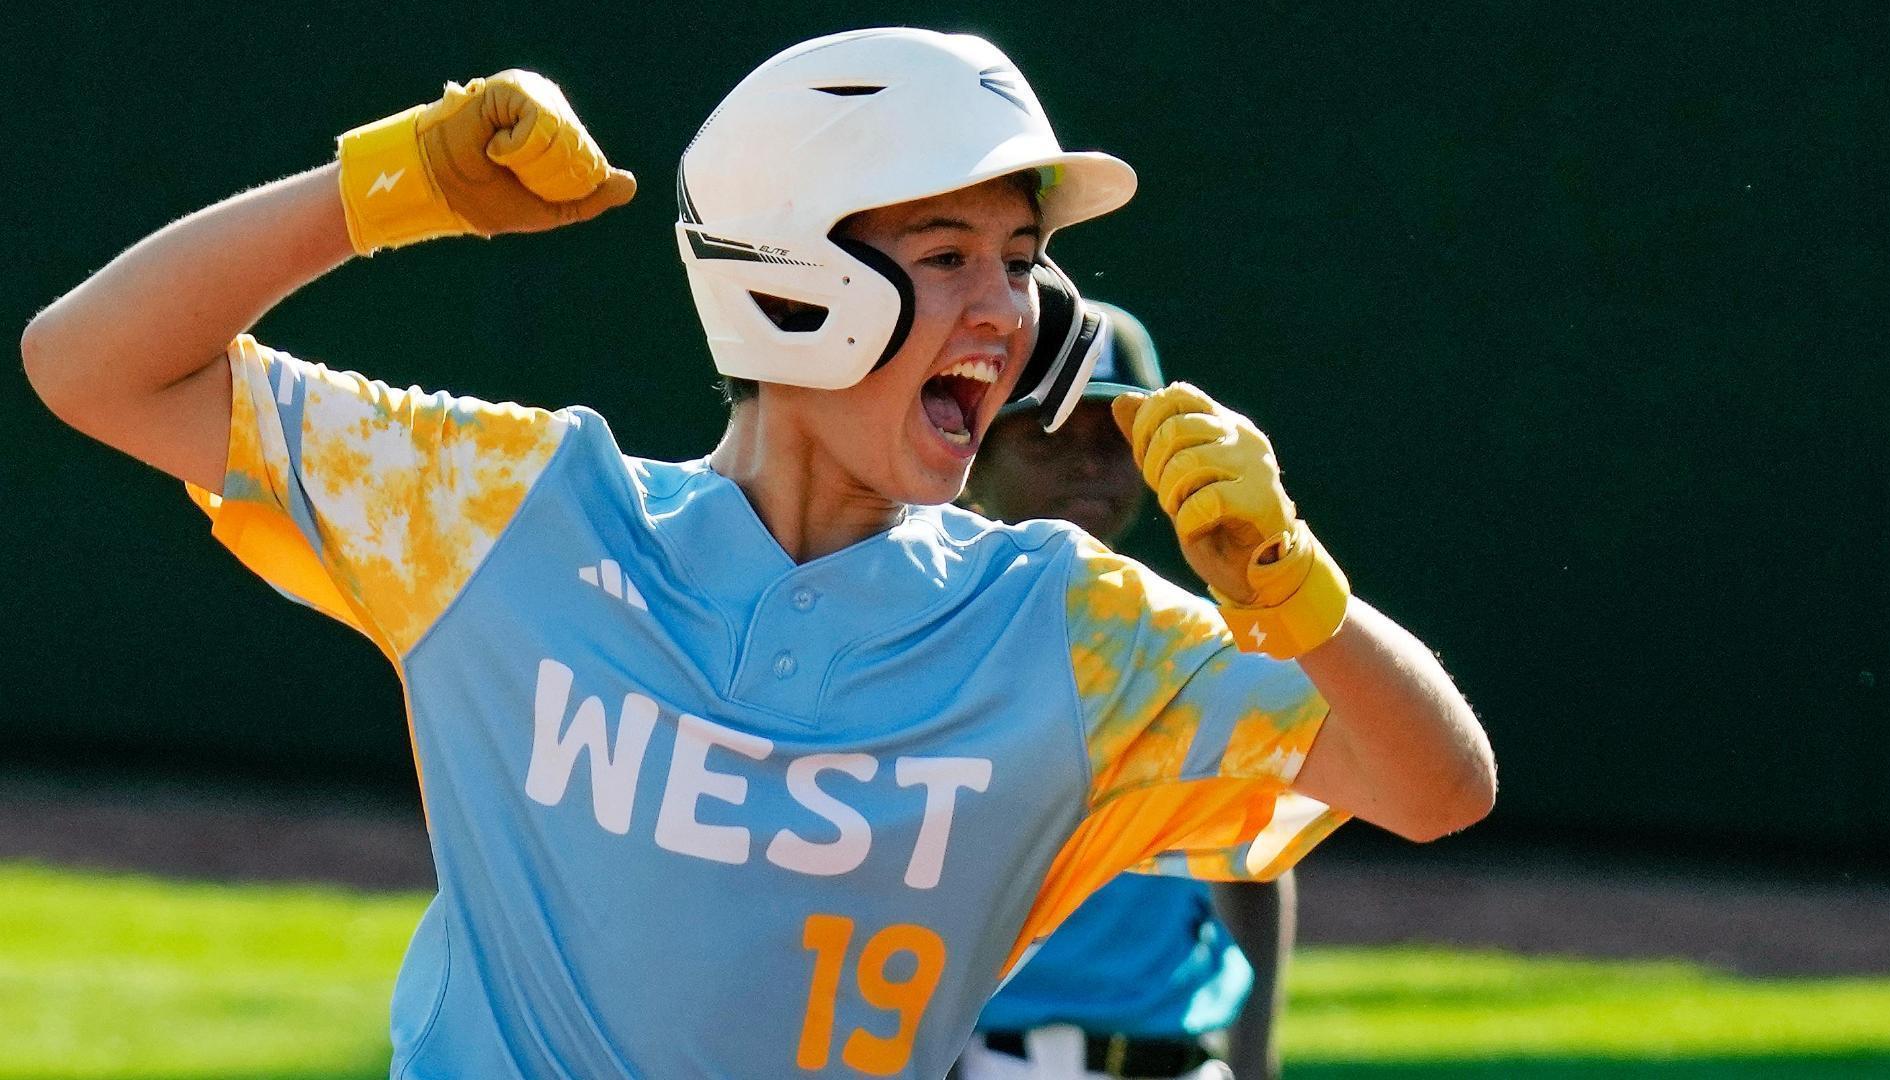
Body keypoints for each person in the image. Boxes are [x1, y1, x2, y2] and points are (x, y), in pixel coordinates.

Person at [22, 28, 1494, 1080]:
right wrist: (385, 189)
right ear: (791, 282)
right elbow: (89, 364)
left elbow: (1435, 789)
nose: (1013, 314)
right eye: (945, 255)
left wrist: (1305, 598)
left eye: (1023, 260)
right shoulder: (519, 515)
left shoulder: (1060, 623)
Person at [960, 303, 1305, 1080]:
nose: (1090, 462)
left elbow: (1253, 867)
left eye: (1116, 438)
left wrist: (1256, 1064)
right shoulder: (929, 639)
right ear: (972, 456)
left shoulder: (1182, 650)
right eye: (1051, 435)